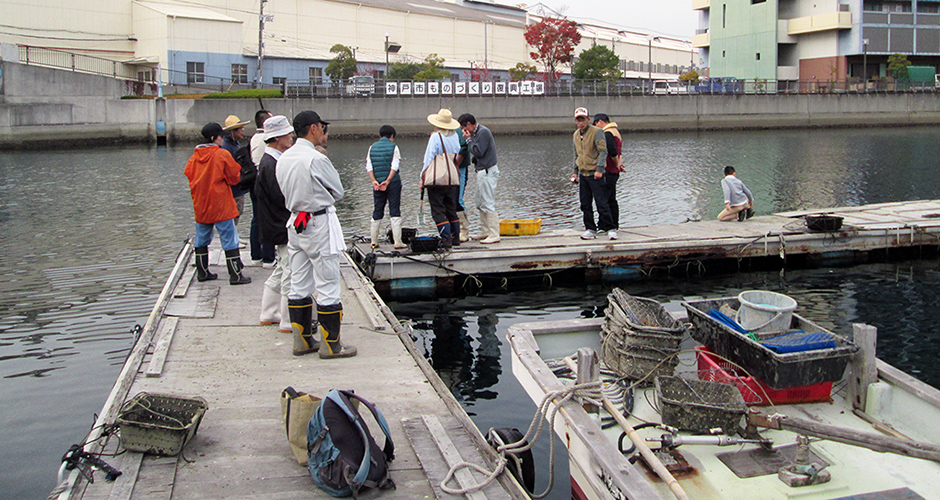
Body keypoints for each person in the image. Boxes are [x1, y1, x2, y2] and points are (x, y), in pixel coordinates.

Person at [276, 110, 356, 359]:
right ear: (313, 128)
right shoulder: (316, 159)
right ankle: (331, 345)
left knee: (298, 283)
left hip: (295, 222)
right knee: (328, 283)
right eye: (322, 126)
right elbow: (339, 191)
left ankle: (302, 341)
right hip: (318, 221)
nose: (324, 132)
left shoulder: (284, 158)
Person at [184, 122, 251, 285]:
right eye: (221, 136)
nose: (223, 138)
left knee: (201, 239)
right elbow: (235, 176)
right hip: (221, 204)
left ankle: (202, 272)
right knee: (229, 238)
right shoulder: (221, 155)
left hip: (201, 204)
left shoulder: (193, 158)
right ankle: (235, 275)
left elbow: (188, 174)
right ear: (214, 138)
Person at [254, 115, 295, 337]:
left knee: (281, 269)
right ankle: (288, 319)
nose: (291, 136)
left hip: (272, 224)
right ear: (277, 138)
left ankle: (268, 312)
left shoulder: (269, 161)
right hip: (280, 224)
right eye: (288, 133)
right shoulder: (273, 163)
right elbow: (282, 198)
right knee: (290, 270)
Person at [420, 109, 462, 249]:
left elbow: (429, 158)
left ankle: (445, 239)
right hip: (451, 178)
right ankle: (456, 237)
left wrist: (422, 177)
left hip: (437, 179)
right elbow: (457, 154)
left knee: (438, 209)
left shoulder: (435, 137)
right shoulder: (455, 135)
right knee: (451, 207)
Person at [457, 113, 500, 244]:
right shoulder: (477, 133)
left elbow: (478, 151)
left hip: (488, 171)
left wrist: (468, 140)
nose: (464, 131)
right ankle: (485, 231)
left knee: (487, 202)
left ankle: (494, 233)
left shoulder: (483, 132)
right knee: (480, 202)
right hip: (482, 171)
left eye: (464, 128)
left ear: (469, 124)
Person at [570, 106, 612, 240]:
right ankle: (590, 228)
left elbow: (603, 151)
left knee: (601, 202)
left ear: (588, 119)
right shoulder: (576, 135)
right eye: (578, 120)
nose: (580, 122)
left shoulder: (597, 132)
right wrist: (575, 172)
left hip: (595, 173)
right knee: (585, 204)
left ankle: (610, 227)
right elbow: (577, 154)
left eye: (583, 119)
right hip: (583, 174)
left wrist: (600, 169)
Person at [366, 125, 406, 250]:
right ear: (392, 136)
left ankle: (374, 241)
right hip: (393, 183)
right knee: (394, 210)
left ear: (380, 135)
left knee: (378, 209)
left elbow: (369, 166)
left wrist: (374, 181)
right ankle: (397, 242)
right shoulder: (394, 147)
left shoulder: (372, 147)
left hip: (377, 183)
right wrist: (388, 181)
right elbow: (395, 165)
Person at [249, 109, 276, 267]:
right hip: (265, 181)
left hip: (253, 181)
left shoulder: (254, 138)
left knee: (256, 219)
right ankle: (268, 256)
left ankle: (255, 255)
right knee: (268, 218)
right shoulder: (267, 139)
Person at [221, 114, 251, 254]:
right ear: (232, 132)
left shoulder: (234, 144)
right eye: (240, 129)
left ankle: (235, 237)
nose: (243, 131)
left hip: (239, 186)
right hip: (233, 187)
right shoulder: (227, 147)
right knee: (233, 213)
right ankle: (232, 239)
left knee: (238, 212)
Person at [593, 113, 623, 239]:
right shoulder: (615, 130)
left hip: (608, 170)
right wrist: (619, 164)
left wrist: (616, 164)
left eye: (595, 124)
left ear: (600, 121)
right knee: (611, 198)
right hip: (613, 171)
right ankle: (614, 224)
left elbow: (612, 150)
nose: (595, 127)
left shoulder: (607, 133)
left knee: (604, 199)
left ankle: (605, 225)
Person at [454, 133, 473, 242]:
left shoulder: (458, 132)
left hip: (460, 168)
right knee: (450, 200)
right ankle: (455, 230)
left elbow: (464, 147)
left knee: (458, 200)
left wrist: (455, 164)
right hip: (446, 169)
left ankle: (464, 231)